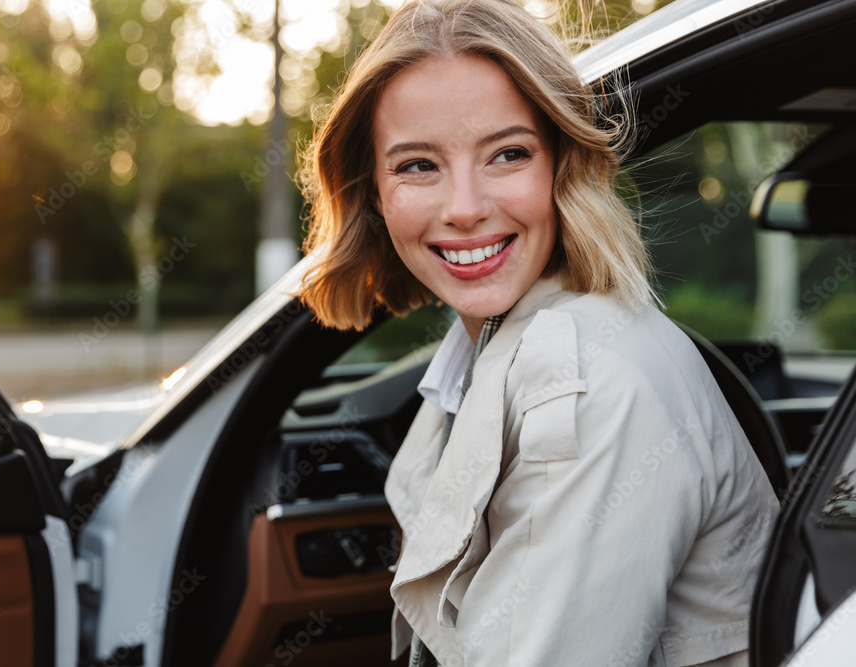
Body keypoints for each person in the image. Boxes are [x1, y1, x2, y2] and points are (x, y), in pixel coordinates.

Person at [297, 0, 779, 665]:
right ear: (373, 191)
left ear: (562, 164)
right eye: (417, 165)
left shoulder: (586, 380)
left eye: (507, 154)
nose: (465, 208)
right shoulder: (492, 351)